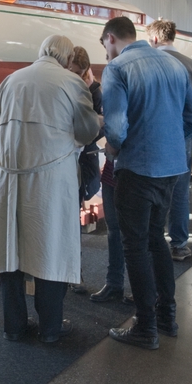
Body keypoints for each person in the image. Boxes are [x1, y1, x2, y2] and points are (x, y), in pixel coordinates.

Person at [99, 17, 192, 350]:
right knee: (157, 239)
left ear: (110, 38)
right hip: (171, 169)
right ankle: (166, 317)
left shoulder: (117, 68)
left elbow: (116, 129)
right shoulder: (174, 65)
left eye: (104, 46)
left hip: (138, 169)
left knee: (134, 246)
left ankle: (145, 326)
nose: (106, 52)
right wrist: (170, 142)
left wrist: (112, 149)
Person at [0, 35, 101, 344]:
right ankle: (50, 328)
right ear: (68, 59)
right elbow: (87, 130)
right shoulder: (71, 82)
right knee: (51, 247)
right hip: (51, 177)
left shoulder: (10, 81)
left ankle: (13, 326)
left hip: (10, 178)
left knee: (10, 249)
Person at [145, 19, 192, 263]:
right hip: (181, 140)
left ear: (154, 39)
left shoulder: (147, 63)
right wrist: (190, 140)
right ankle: (179, 244)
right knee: (180, 193)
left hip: (151, 140)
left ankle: (152, 243)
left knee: (150, 193)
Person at [69, 47, 127, 302]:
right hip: (88, 162)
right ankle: (107, 282)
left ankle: (79, 274)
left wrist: (91, 132)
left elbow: (108, 128)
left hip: (92, 161)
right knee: (115, 229)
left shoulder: (97, 90)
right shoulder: (77, 88)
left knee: (124, 230)